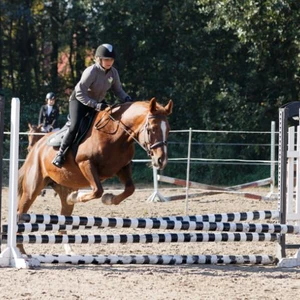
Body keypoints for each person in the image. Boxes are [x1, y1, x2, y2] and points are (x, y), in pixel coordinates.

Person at [52, 43, 132, 168]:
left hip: (97, 102)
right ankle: (60, 154)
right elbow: (79, 92)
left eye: (111, 59)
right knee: (74, 126)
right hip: (79, 101)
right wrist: (95, 105)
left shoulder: (113, 73)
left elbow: (118, 90)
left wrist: (126, 98)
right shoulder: (91, 72)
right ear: (99, 59)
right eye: (106, 59)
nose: (109, 62)